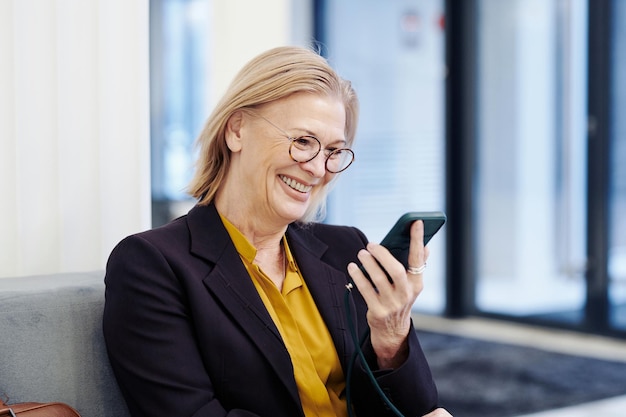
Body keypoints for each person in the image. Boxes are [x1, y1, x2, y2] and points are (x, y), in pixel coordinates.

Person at [103, 46, 452, 417]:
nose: (318, 169)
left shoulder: (346, 248)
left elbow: (419, 410)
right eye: (303, 141)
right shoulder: (151, 265)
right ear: (236, 130)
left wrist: (392, 337)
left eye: (334, 150)